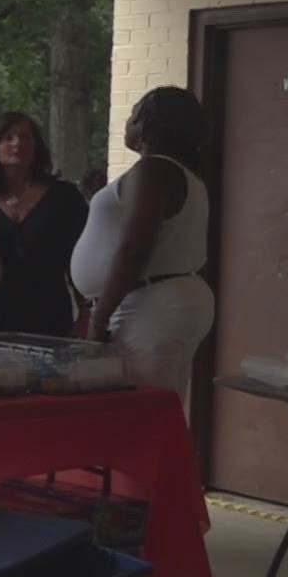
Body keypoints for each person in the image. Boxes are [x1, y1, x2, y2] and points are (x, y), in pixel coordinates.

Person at [70, 86, 212, 399]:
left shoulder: (153, 169)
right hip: (159, 300)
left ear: (147, 123)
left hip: (147, 305)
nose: (127, 121)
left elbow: (135, 246)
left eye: (133, 114)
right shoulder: (180, 172)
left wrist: (99, 318)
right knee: (156, 405)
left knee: (139, 408)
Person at [0, 112, 89, 337]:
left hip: (49, 315)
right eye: (8, 138)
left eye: (25, 137)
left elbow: (80, 258)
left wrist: (86, 314)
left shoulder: (64, 197)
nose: (17, 144)